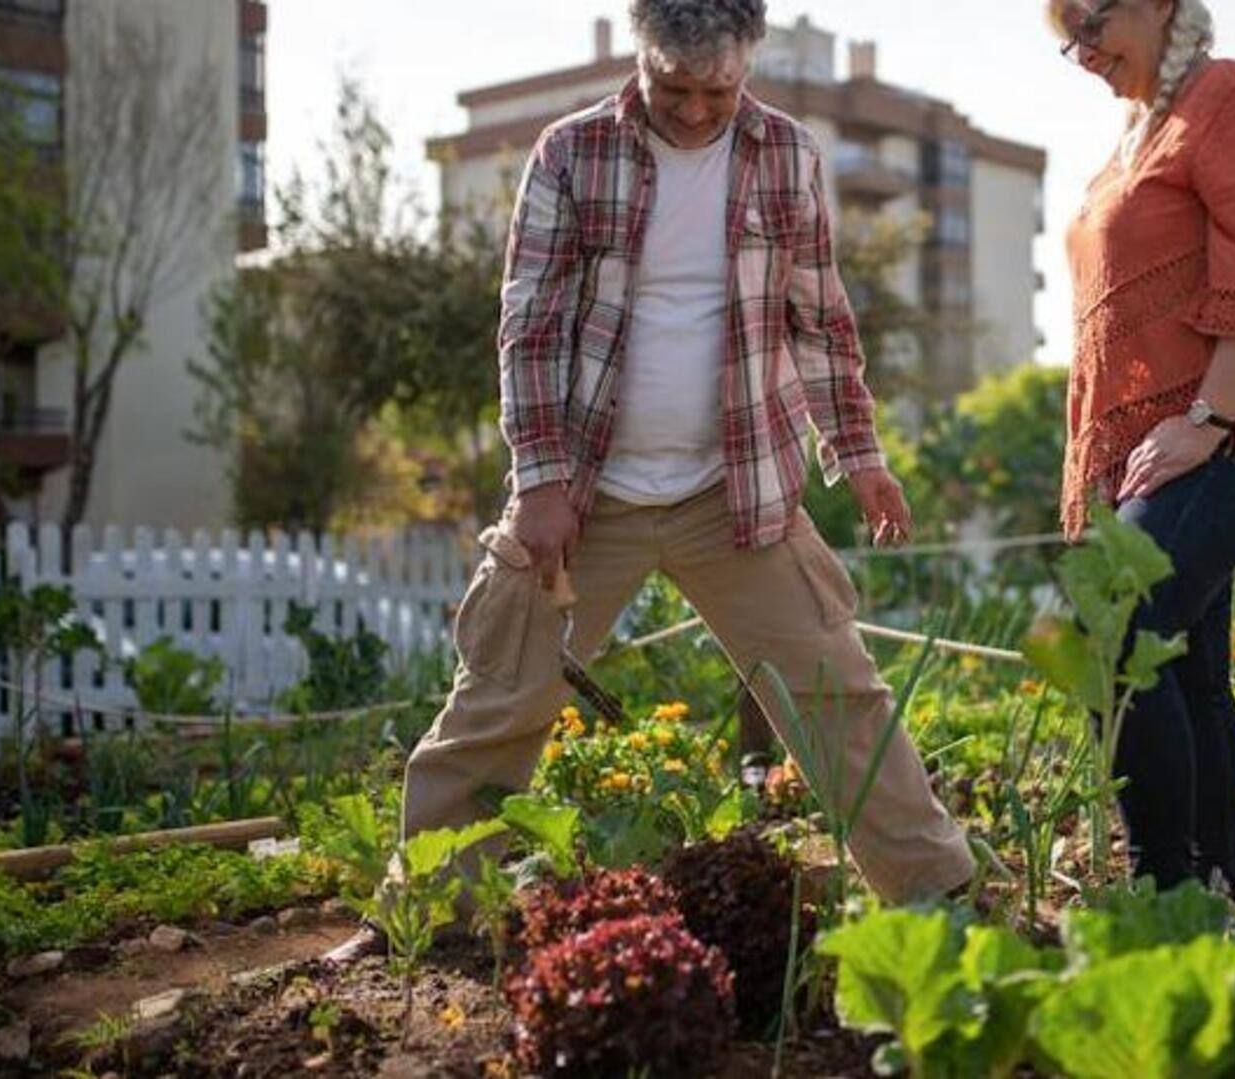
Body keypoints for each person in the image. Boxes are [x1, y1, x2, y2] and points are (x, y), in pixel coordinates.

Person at [328, 0, 973, 962]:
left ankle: (939, 891)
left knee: (836, 689)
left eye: (721, 88)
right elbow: (530, 326)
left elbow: (819, 322)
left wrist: (862, 454)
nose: (699, 109)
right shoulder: (571, 153)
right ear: (642, 56)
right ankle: (419, 917)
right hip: (587, 496)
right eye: (675, 87)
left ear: (749, 62)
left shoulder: (787, 155)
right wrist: (541, 478)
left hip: (736, 492)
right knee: (501, 694)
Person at [1047, 0, 1235, 894]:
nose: (1083, 50)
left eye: (1094, 22)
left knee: (1113, 629)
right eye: (1067, 37)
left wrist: (1204, 420)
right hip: (1160, 445)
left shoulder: (1226, 98)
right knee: (1189, 672)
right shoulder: (1136, 136)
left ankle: (1165, 889)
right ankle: (1219, 885)